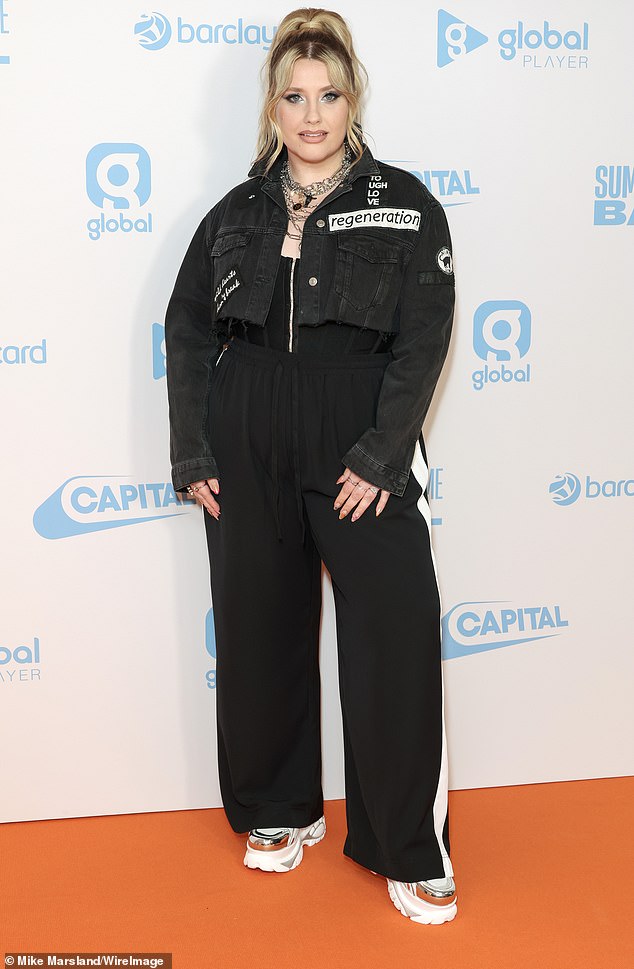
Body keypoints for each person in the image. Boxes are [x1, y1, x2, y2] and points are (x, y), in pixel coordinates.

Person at [164, 7, 458, 925]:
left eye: (328, 93)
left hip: (354, 426)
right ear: (273, 107)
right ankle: (275, 808)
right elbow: (184, 329)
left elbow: (424, 337)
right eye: (294, 95)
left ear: (353, 97)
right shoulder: (234, 211)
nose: (312, 112)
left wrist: (381, 449)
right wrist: (192, 446)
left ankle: (407, 841)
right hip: (246, 420)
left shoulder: (406, 202)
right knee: (259, 628)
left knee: (393, 636)